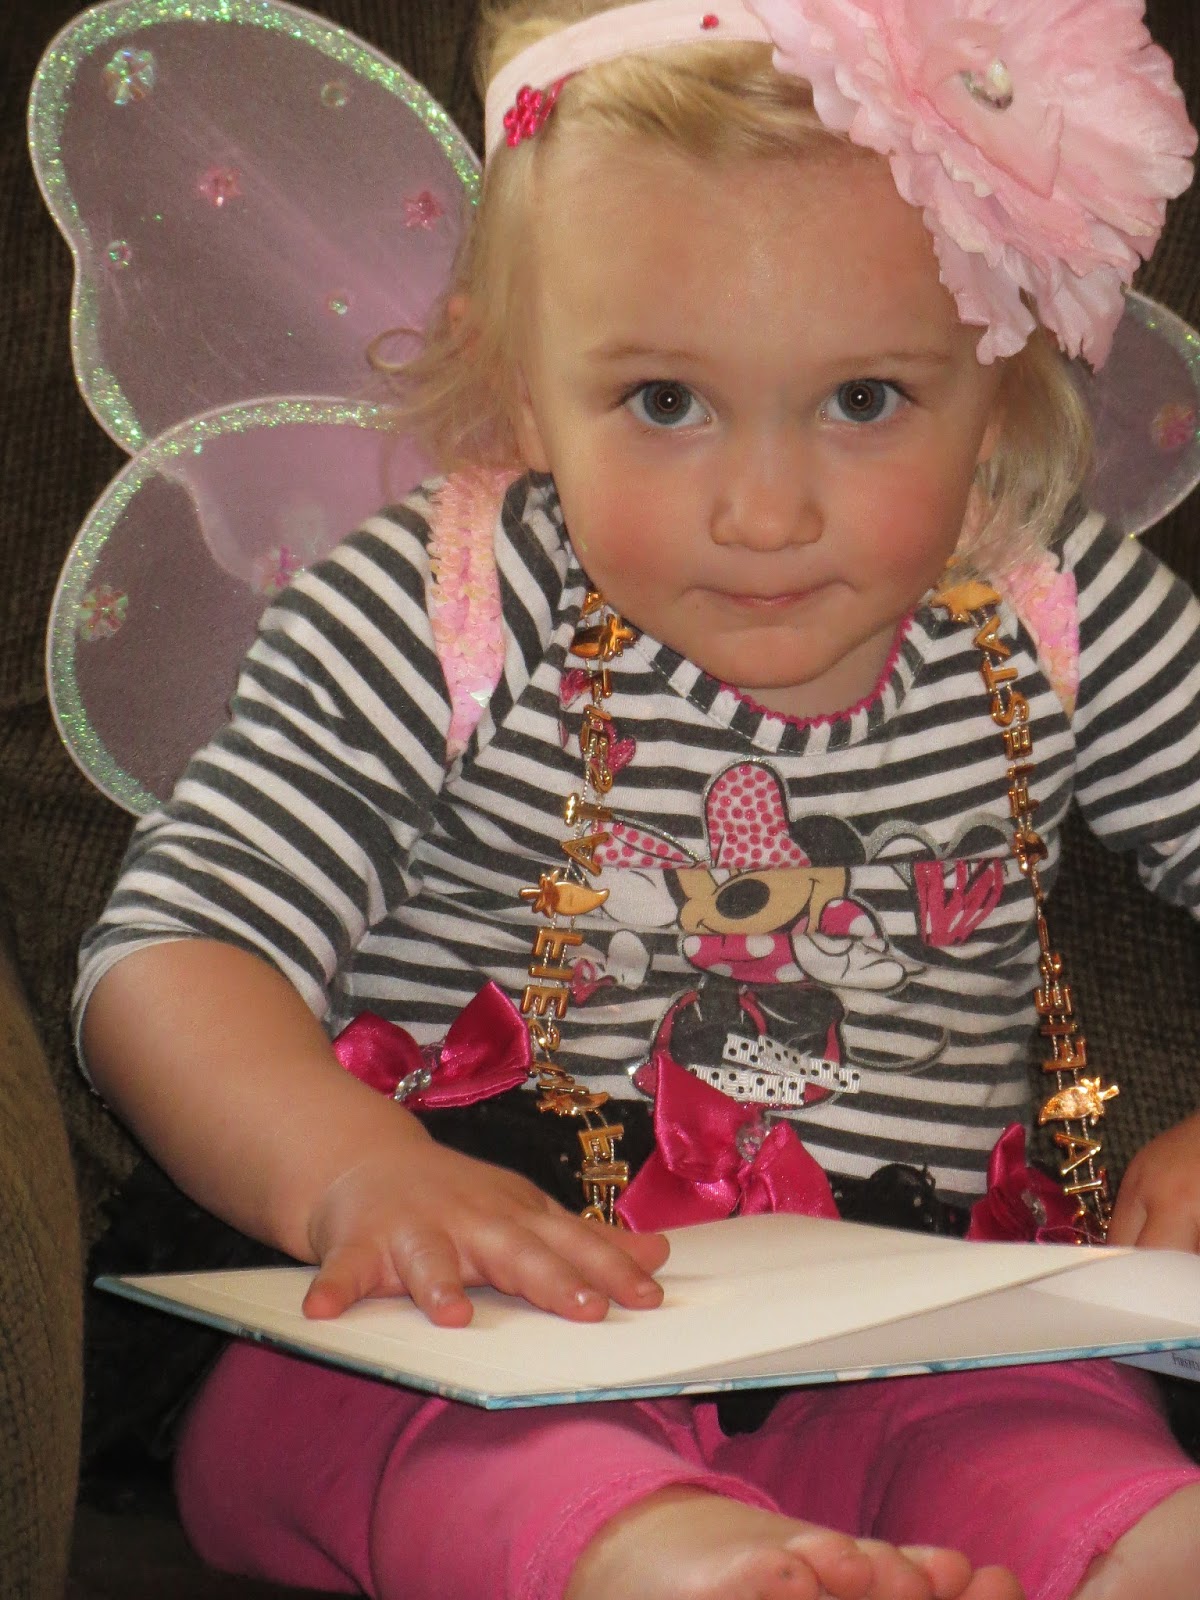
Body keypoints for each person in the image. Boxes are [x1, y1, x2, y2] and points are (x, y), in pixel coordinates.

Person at [75, 0, 1200, 1595]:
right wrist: (349, 1175)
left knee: (1062, 1441)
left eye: (865, 400)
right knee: (402, 1422)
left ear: (999, 383)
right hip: (485, 1305)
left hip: (920, 1328)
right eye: (665, 402)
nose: (763, 510)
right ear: (528, 391)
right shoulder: (444, 608)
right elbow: (173, 955)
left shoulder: (1053, 608)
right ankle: (669, 1561)